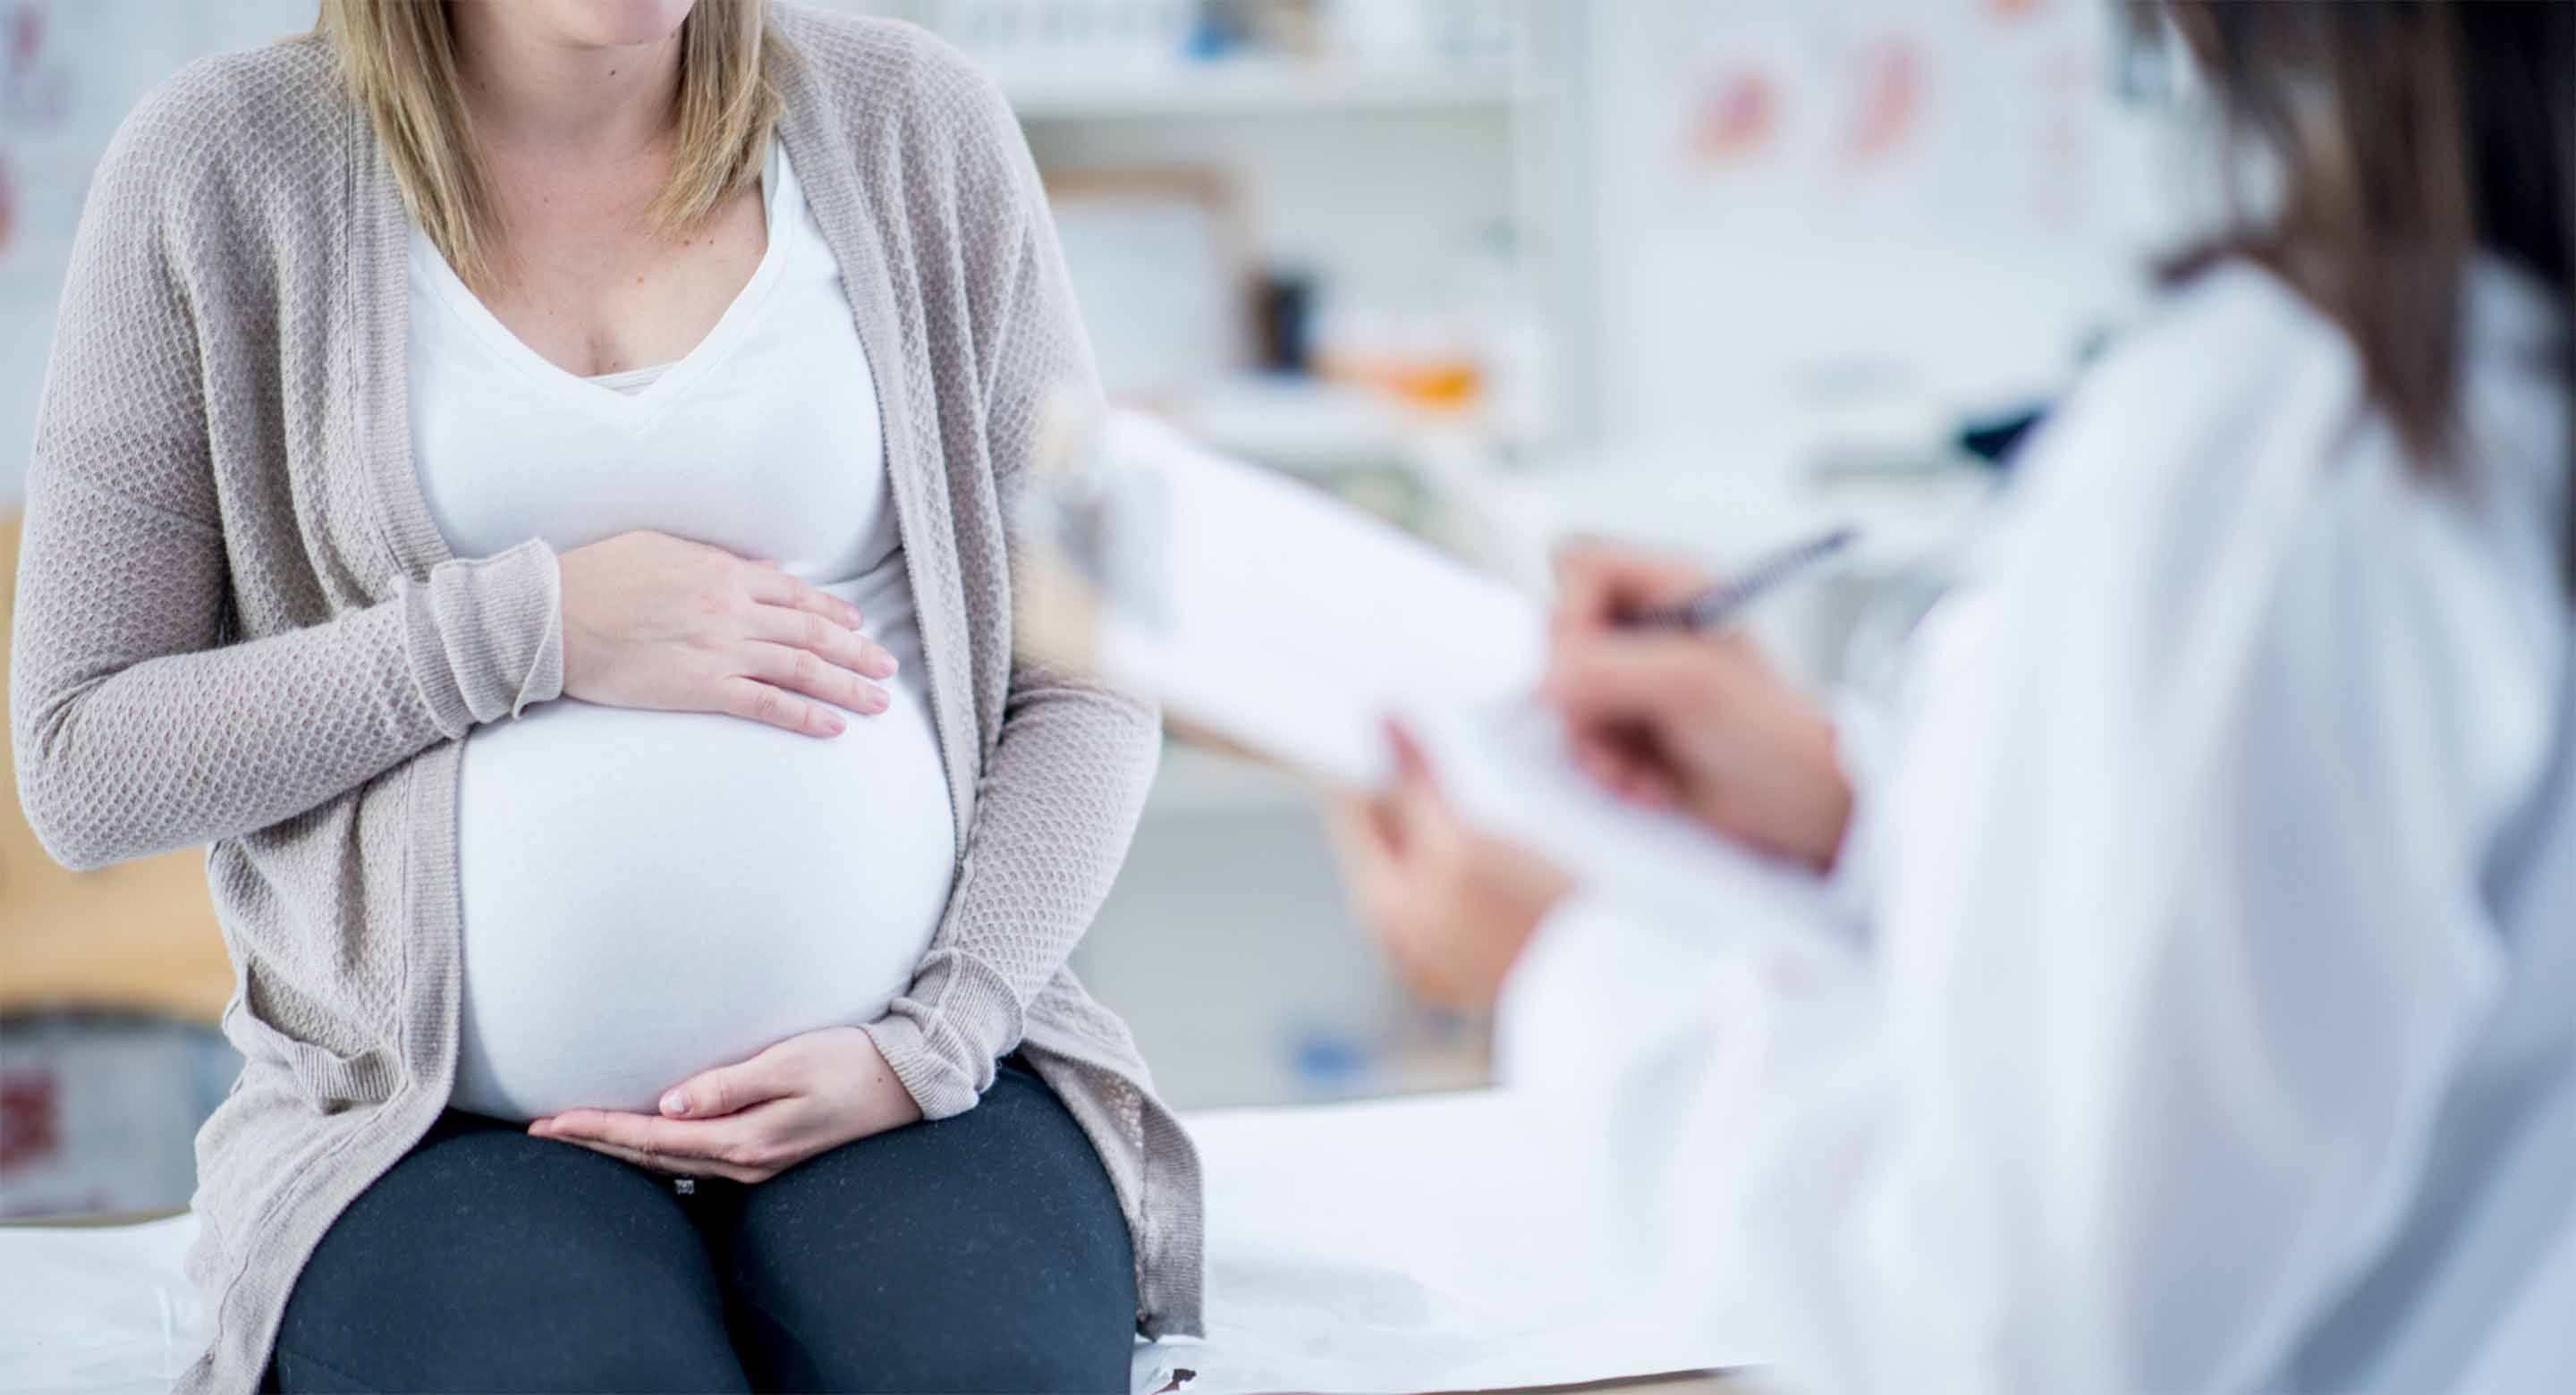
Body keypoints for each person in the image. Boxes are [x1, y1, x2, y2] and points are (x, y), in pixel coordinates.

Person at [1328, 3, 2573, 1390]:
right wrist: (1856, 816)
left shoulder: (2296, 434)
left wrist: (1572, 975)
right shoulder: (2484, 371)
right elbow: (2354, 944)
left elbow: (2031, 1328)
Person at [8, 3, 1201, 1390]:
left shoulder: (918, 125)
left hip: (922, 1088)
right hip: (435, 1126)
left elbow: (1094, 665)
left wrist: (937, 1038)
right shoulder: (218, 169)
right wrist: (537, 626)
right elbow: (86, 761)